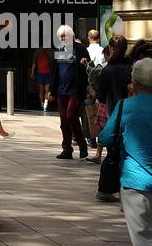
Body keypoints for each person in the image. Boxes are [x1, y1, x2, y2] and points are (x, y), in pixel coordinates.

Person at [98, 57, 152, 246]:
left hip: (136, 182)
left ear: (133, 82)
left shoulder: (125, 107)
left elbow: (105, 137)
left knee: (144, 238)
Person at [48, 24, 89, 159]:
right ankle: (67, 149)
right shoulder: (60, 49)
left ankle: (82, 145)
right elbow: (56, 72)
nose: (63, 38)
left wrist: (84, 63)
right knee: (63, 121)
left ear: (71, 36)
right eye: (61, 36)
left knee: (71, 116)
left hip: (75, 91)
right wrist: (52, 91)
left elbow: (87, 69)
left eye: (65, 35)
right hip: (61, 91)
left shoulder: (80, 48)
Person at [92, 34, 132, 164]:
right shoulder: (132, 67)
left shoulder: (108, 70)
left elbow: (101, 97)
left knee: (113, 153)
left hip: (114, 113)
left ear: (110, 48)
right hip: (131, 112)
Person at [30, 45, 53, 111]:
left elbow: (52, 60)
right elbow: (34, 62)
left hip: (47, 72)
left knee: (47, 89)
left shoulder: (49, 51)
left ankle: (45, 103)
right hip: (40, 73)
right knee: (41, 89)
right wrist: (32, 72)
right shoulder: (37, 51)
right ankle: (42, 103)